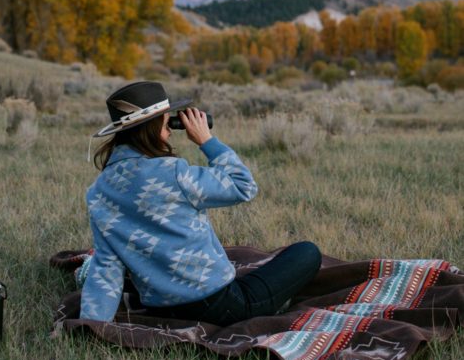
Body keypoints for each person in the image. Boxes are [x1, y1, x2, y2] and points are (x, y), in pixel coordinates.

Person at [80, 81, 321, 326]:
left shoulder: (98, 192)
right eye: (166, 123)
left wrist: (92, 324)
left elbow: (106, 266)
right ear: (151, 129)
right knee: (307, 252)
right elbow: (243, 186)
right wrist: (207, 140)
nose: (171, 130)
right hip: (221, 306)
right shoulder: (173, 172)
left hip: (160, 309)